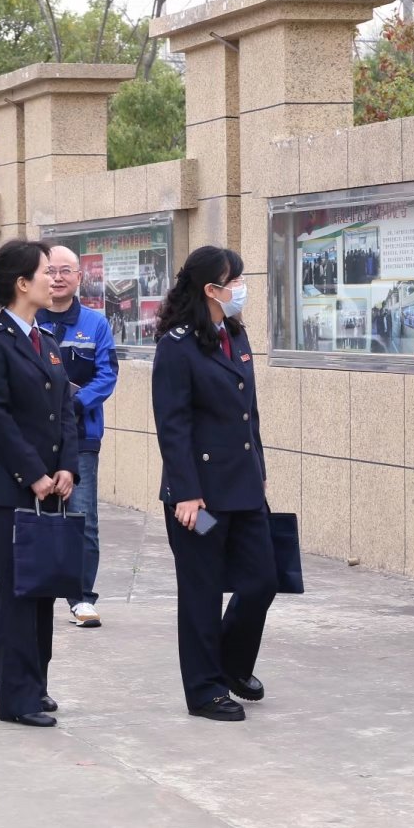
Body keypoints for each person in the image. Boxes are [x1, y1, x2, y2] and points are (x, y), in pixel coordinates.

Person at [151, 246, 277, 723]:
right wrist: (185, 491)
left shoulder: (236, 334)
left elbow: (250, 414)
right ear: (211, 289)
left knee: (262, 580)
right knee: (202, 591)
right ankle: (204, 690)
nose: (241, 288)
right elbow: (173, 424)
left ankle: (231, 663)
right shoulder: (177, 346)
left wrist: (259, 469)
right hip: (199, 501)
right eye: (235, 280)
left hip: (243, 489)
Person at [0, 240, 78, 727]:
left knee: (42, 588)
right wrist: (33, 474)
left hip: (51, 486)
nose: (55, 280)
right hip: (9, 488)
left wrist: (67, 466)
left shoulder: (45, 340)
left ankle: (37, 682)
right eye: (46, 272)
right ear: (22, 283)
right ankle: (17, 698)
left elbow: (65, 410)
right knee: (15, 590)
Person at [36, 245, 118, 629]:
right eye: (50, 270)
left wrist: (73, 404)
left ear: (79, 278)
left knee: (82, 518)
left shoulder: (95, 324)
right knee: (37, 517)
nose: (57, 278)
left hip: (82, 435)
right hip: (36, 437)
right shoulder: (29, 321)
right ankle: (37, 591)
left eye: (65, 271)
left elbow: (107, 375)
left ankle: (82, 597)